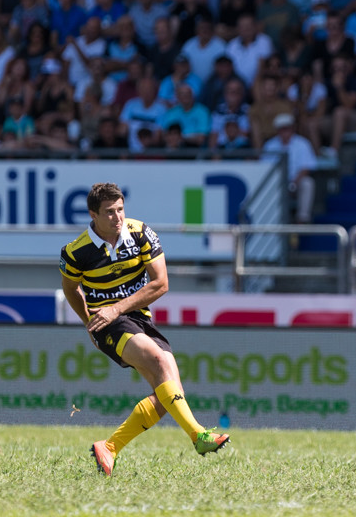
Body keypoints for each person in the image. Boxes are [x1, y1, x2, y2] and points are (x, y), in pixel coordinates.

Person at [59, 182, 230, 476]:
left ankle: (109, 447)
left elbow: (161, 283)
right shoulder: (76, 252)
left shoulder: (140, 233)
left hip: (136, 317)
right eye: (109, 212)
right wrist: (90, 322)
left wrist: (118, 307)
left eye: (120, 209)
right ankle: (199, 436)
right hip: (107, 322)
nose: (117, 217)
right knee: (160, 361)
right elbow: (71, 288)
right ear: (93, 215)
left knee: (169, 394)